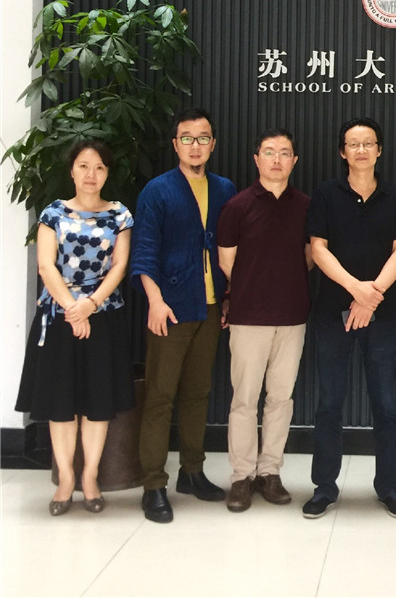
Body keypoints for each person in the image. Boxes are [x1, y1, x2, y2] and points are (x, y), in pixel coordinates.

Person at [15, 140, 134, 515]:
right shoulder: (53, 213)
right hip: (59, 316)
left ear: (107, 173)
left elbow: (119, 266)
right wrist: (73, 308)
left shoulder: (120, 215)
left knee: (98, 403)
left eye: (99, 167)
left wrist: (90, 305)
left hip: (104, 316)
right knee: (61, 404)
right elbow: (45, 265)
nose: (90, 174)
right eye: (84, 166)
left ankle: (90, 477)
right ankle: (66, 479)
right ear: (72, 171)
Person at [303, 117, 396, 519]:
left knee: (386, 404)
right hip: (333, 312)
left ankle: (389, 487)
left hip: (383, 315)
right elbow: (318, 248)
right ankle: (324, 487)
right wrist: (356, 290)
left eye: (369, 143)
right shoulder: (325, 194)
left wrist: (371, 297)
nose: (362, 150)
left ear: (379, 150)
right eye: (354, 144)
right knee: (329, 403)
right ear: (342, 152)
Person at [131, 107, 236, 523]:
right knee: (160, 396)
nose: (196, 146)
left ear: (213, 144)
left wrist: (228, 297)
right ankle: (153, 484)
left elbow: (230, 249)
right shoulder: (157, 190)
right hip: (170, 308)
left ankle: (192, 472)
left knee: (198, 393)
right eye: (187, 138)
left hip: (209, 307)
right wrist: (155, 301)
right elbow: (144, 250)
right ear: (176, 144)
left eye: (203, 138)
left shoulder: (224, 188)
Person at [217, 128, 312, 513]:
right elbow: (227, 262)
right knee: (244, 399)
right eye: (269, 152)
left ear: (294, 161)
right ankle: (241, 476)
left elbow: (310, 257)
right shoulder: (237, 206)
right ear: (256, 159)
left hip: (292, 316)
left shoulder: (305, 206)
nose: (276, 159)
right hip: (248, 317)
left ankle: (269, 472)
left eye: (284, 152)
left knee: (281, 398)